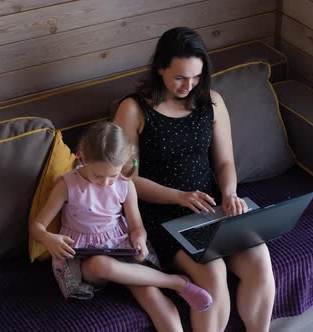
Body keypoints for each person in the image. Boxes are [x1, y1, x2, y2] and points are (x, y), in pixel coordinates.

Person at [113, 27, 276, 332]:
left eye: (196, 77)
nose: (189, 85)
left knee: (260, 259)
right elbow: (126, 180)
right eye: (180, 77)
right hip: (162, 213)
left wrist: (229, 194)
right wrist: (178, 196)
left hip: (212, 206)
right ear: (160, 68)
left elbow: (225, 161)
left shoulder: (211, 102)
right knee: (212, 272)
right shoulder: (134, 109)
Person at [29, 121, 212, 331]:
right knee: (101, 265)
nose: (106, 183)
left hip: (119, 247)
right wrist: (49, 238)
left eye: (112, 175)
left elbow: (136, 227)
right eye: (98, 175)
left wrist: (139, 239)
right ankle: (176, 283)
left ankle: (174, 288)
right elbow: (37, 227)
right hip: (83, 258)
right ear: (82, 158)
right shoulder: (67, 185)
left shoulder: (125, 184)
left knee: (150, 294)